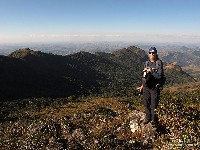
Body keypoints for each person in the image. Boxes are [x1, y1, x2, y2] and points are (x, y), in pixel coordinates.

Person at [137, 47, 164, 124]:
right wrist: (142, 86)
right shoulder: (146, 63)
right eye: (150, 53)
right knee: (146, 104)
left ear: (156, 54)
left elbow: (159, 76)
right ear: (148, 54)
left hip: (154, 88)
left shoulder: (158, 63)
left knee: (154, 106)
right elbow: (144, 76)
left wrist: (151, 71)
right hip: (146, 87)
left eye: (153, 53)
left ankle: (154, 122)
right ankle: (147, 118)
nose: (152, 54)